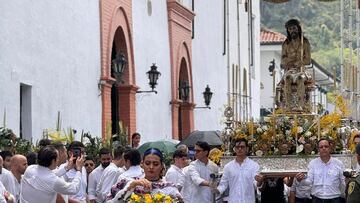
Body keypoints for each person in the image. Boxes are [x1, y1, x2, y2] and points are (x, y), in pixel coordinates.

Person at [106, 148, 182, 203]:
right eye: (147, 163)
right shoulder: (129, 182)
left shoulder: (170, 188)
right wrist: (131, 186)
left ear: (162, 166)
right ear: (142, 164)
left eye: (155, 164)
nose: (151, 167)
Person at [213, 138, 264, 203]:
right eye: (237, 147)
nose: (239, 149)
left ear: (247, 149)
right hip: (233, 200)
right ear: (234, 149)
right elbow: (223, 185)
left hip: (248, 201)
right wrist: (215, 189)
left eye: (242, 147)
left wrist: (259, 182)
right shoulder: (228, 167)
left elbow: (256, 184)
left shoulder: (254, 165)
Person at [296, 138, 346, 203]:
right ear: (318, 149)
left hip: (334, 199)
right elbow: (309, 181)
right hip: (317, 199)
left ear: (330, 148)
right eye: (321, 147)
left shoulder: (338, 163)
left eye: (326, 146)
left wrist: (343, 195)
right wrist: (300, 180)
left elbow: (342, 183)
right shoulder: (313, 163)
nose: (324, 148)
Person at [280, 19, 312, 112]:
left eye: (294, 28)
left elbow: (308, 60)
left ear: (298, 29)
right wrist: (289, 61)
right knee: (288, 79)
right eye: (290, 29)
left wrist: (300, 62)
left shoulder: (305, 42)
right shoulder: (286, 44)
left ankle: (300, 105)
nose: (292, 31)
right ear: (288, 31)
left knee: (300, 79)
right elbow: (283, 60)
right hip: (290, 70)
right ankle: (289, 106)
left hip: (302, 70)